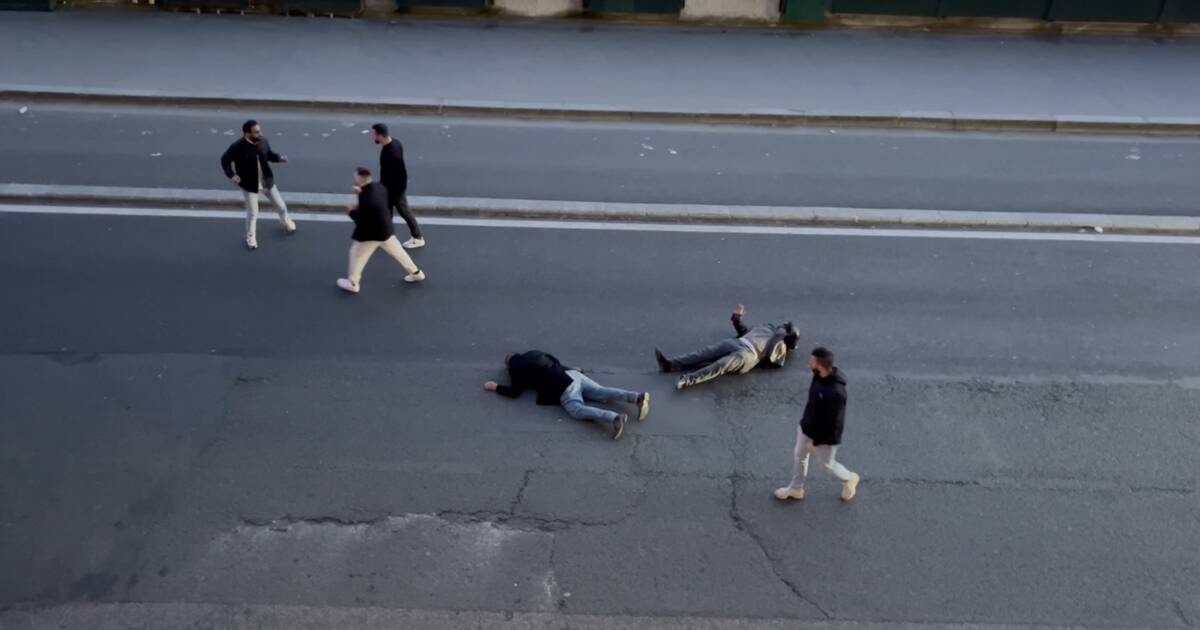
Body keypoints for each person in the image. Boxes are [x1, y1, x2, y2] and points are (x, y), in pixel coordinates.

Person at [484, 351, 649, 441]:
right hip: (572, 374)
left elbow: (515, 393)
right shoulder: (534, 353)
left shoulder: (516, 369)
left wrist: (496, 387)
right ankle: (636, 397)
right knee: (601, 391)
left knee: (576, 409)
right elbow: (555, 360)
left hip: (563, 387)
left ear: (509, 364)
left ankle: (614, 418)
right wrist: (574, 369)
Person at [774, 347, 860, 502]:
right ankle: (796, 488)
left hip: (824, 439)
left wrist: (816, 442)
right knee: (799, 455)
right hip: (807, 427)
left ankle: (849, 478)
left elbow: (835, 423)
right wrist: (804, 426)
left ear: (820, 365)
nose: (809, 363)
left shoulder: (836, 393)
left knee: (826, 466)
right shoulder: (818, 375)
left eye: (812, 360)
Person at [654, 304, 799, 390]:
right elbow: (744, 331)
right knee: (704, 354)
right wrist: (737, 319)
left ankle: (687, 380)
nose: (783, 325)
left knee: (719, 366)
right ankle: (669, 365)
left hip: (749, 354)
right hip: (737, 342)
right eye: (784, 324)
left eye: (786, 327)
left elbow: (775, 361)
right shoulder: (767, 327)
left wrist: (787, 336)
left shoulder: (780, 347)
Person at [335, 167, 426, 294]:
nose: (354, 179)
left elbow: (362, 221)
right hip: (386, 230)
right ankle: (416, 272)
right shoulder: (379, 187)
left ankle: (353, 283)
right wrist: (359, 193)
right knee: (399, 253)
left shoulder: (367, 199)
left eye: (355, 178)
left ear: (360, 180)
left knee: (356, 254)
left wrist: (351, 211)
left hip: (371, 234)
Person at [220, 119, 296, 250]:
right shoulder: (237, 147)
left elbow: (269, 155)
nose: (260, 134)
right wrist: (232, 175)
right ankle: (250, 236)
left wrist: (279, 158)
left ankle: (285, 219)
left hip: (266, 181)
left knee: (281, 205)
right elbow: (225, 160)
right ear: (247, 134)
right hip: (249, 184)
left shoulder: (263, 141)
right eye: (256, 132)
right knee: (253, 213)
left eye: (260, 131)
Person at [371, 123, 424, 250]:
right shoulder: (395, 143)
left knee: (404, 212)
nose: (372, 137)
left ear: (380, 135)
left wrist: (391, 191)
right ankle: (385, 238)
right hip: (390, 188)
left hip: (394, 190)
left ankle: (418, 238)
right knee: (386, 212)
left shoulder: (391, 153)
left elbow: (398, 174)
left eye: (373, 134)